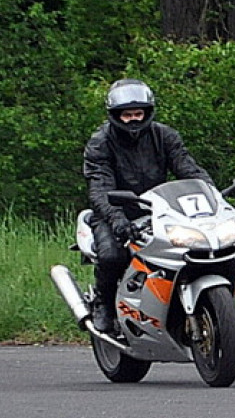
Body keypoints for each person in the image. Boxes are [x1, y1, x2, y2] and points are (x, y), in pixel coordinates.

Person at [83, 78, 214, 333]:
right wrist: (117, 219)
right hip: (113, 213)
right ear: (115, 115)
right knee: (112, 255)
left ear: (147, 112)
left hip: (160, 212)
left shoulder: (164, 136)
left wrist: (214, 198)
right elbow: (99, 187)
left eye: (138, 113)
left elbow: (189, 169)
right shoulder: (101, 142)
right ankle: (105, 304)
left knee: (192, 249)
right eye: (127, 114)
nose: (133, 119)